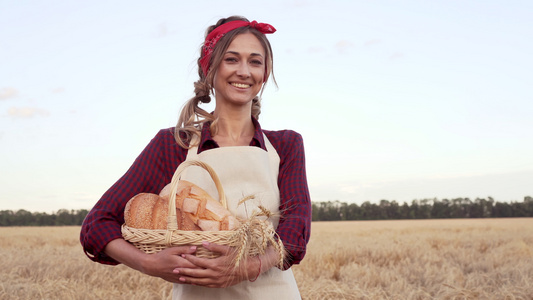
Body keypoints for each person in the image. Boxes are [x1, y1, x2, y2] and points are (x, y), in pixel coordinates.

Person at [80, 15, 311, 299]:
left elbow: (296, 229)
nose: (243, 71)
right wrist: (149, 263)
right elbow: (97, 223)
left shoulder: (286, 145)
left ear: (265, 73)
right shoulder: (173, 144)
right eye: (231, 59)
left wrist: (249, 266)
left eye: (255, 61)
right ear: (210, 68)